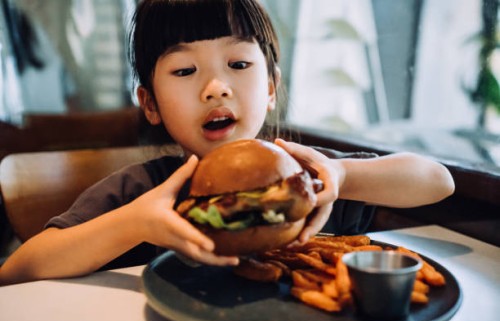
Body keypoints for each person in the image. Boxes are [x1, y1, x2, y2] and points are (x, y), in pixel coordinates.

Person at [0, 0, 454, 285]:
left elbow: (439, 182)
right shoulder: (145, 192)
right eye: (184, 71)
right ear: (150, 103)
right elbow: (18, 270)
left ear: (272, 87)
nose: (216, 87)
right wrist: (134, 224)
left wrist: (344, 174)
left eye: (238, 64)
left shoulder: (305, 175)